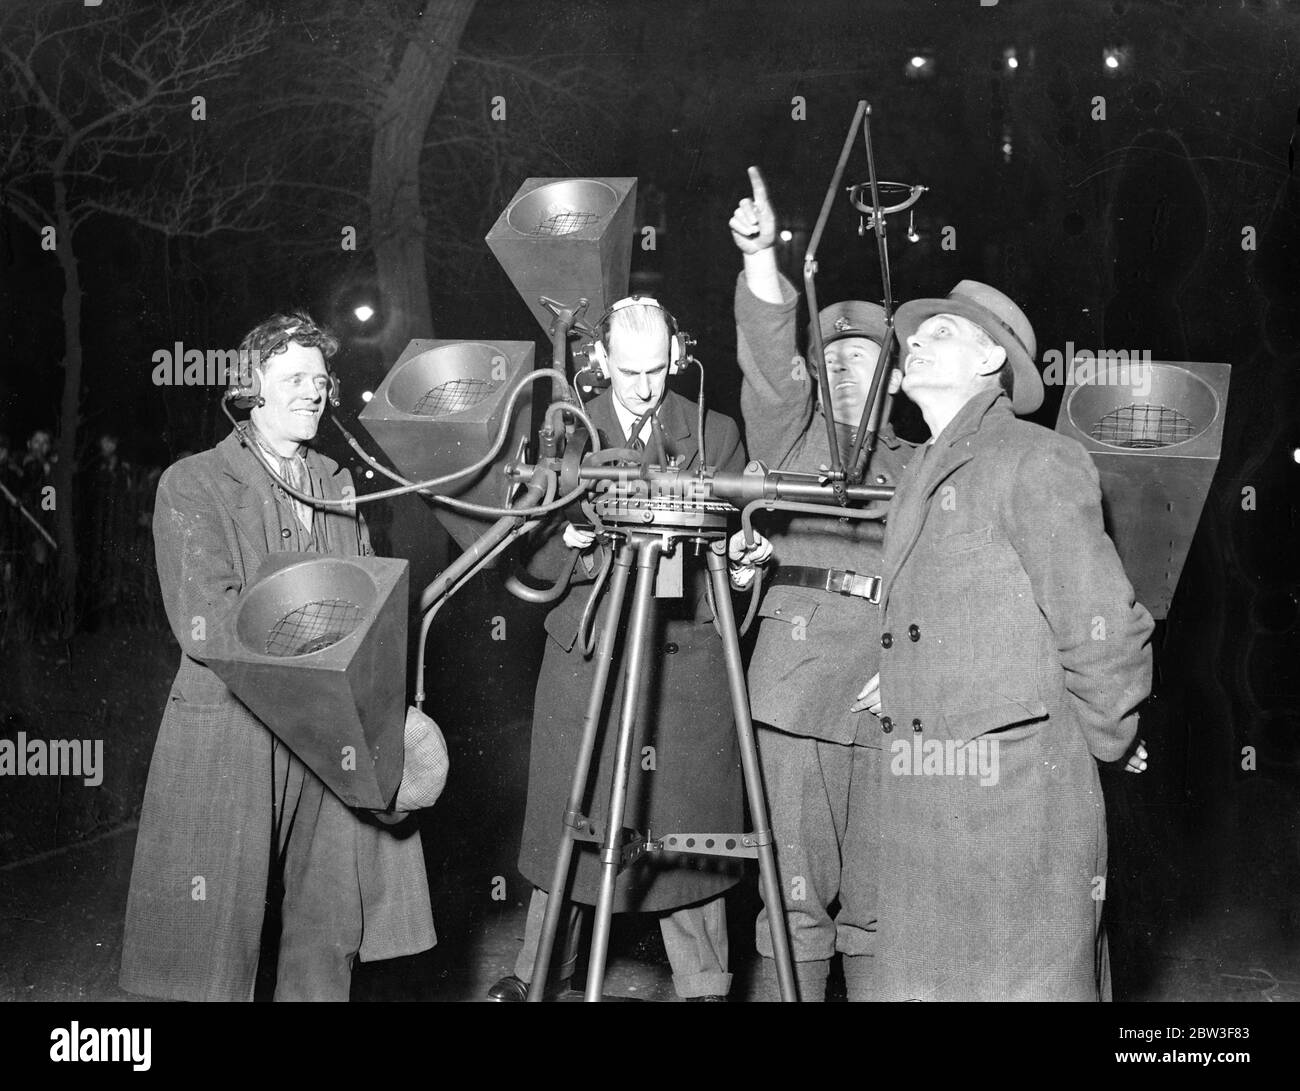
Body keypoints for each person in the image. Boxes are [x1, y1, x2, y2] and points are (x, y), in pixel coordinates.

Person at [120, 312, 442, 1002]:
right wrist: (326, 644)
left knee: (327, 931)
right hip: (236, 731)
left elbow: (366, 598)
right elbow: (204, 618)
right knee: (217, 946)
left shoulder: (337, 481)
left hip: (328, 737)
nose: (313, 391)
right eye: (293, 377)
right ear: (248, 387)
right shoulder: (193, 482)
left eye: (321, 379)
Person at [853, 281, 1154, 1000]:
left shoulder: (1035, 459)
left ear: (993, 358)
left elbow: (1106, 623)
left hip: (1016, 810)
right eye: (915, 336)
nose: (917, 341)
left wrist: (1103, 741)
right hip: (926, 797)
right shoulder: (923, 469)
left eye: (945, 333)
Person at [488, 296, 771, 1002]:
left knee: (688, 828)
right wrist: (575, 545)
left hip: (683, 662)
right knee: (571, 821)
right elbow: (528, 560)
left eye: (657, 368)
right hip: (589, 654)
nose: (645, 386)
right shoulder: (565, 429)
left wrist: (742, 562)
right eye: (629, 369)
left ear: (677, 355)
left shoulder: (714, 431)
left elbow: (732, 556)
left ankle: (705, 985)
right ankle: (537, 974)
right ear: (602, 360)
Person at [729, 166, 917, 1001]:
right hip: (797, 687)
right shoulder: (794, 432)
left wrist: (919, 662)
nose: (848, 372)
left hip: (893, 691)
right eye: (832, 356)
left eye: (868, 360)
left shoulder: (921, 465)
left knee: (884, 910)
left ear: (898, 379)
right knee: (794, 901)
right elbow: (771, 362)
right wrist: (764, 258)